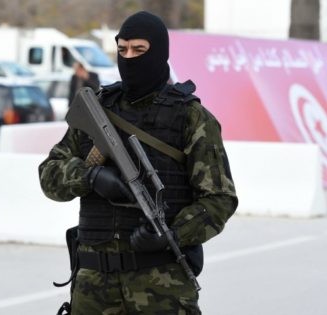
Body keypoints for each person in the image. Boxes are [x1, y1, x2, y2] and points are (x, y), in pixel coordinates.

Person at [39, 11, 237, 315]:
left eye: (139, 50)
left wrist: (171, 234)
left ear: (158, 53)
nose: (129, 58)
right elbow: (49, 175)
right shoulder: (99, 109)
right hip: (93, 287)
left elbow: (219, 200)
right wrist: (90, 178)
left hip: (161, 287)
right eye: (122, 50)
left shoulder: (191, 117)